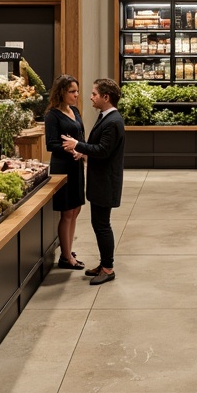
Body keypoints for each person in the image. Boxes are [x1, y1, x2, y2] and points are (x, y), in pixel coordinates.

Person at [61, 78, 125, 285]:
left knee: (102, 225)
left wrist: (77, 145)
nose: (90, 97)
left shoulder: (113, 121)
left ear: (106, 97)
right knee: (99, 224)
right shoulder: (105, 117)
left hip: (106, 182)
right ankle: (104, 263)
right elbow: (100, 150)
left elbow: (103, 150)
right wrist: (85, 155)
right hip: (101, 180)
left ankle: (108, 268)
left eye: (94, 94)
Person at [44, 74, 86, 269]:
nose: (76, 95)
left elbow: (81, 135)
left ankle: (68, 249)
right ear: (61, 92)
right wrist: (70, 149)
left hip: (77, 165)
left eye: (77, 91)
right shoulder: (52, 115)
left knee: (76, 209)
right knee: (67, 213)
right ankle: (65, 257)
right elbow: (51, 144)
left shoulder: (75, 111)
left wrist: (82, 151)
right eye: (72, 91)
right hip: (63, 167)